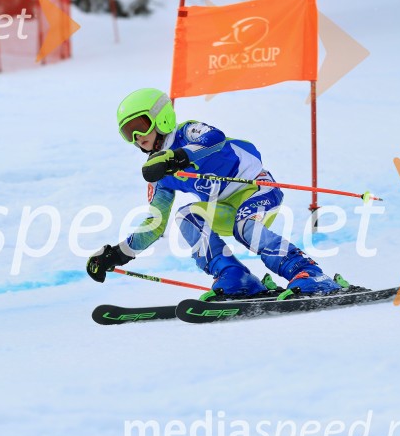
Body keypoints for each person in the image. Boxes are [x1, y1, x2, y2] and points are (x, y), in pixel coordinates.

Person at [86, 88, 342, 301]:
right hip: (224, 206)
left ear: (161, 117)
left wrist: (180, 156)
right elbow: (154, 225)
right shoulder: (159, 172)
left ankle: (309, 273)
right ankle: (236, 278)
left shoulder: (187, 132)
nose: (136, 137)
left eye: (139, 126)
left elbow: (215, 138)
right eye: (127, 133)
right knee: (186, 216)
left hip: (256, 188)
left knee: (246, 226)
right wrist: (117, 254)